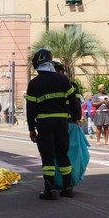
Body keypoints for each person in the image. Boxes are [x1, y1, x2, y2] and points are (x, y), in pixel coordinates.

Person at [26, 48, 81, 200]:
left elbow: (31, 109)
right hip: (62, 122)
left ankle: (49, 190)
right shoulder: (63, 80)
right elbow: (74, 103)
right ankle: (68, 187)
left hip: (44, 123)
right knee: (63, 154)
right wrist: (74, 118)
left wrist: (31, 128)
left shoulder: (34, 84)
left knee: (48, 156)